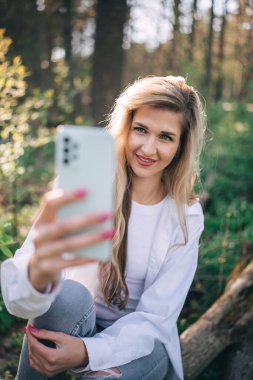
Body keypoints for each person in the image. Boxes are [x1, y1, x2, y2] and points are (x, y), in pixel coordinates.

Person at [1, 75, 205, 380]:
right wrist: (38, 273)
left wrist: (87, 352)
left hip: (143, 343)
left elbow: (154, 319)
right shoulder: (83, 186)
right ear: (125, 128)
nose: (148, 148)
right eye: (141, 130)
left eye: (165, 136)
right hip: (78, 319)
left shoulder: (186, 215)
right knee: (68, 295)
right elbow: (16, 299)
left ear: (180, 146)